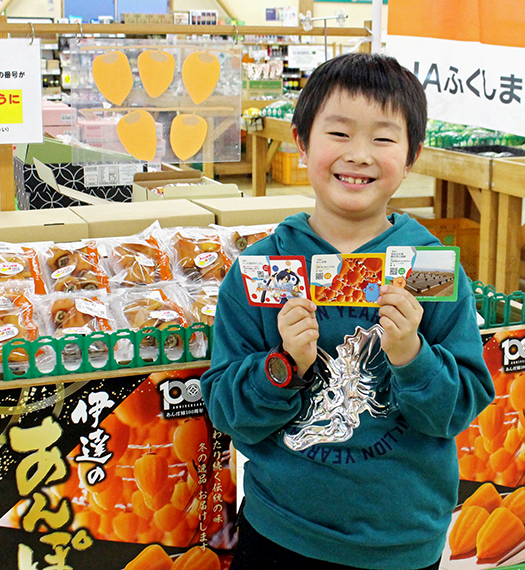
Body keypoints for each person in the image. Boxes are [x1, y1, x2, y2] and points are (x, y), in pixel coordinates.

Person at [200, 52, 494, 570]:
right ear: (300, 141)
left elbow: (459, 409)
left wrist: (411, 355)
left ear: (411, 157)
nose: (358, 154)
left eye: (382, 138)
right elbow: (229, 414)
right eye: (338, 133)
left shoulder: (429, 269)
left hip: (402, 542)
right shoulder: (263, 268)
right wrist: (285, 363)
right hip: (282, 532)